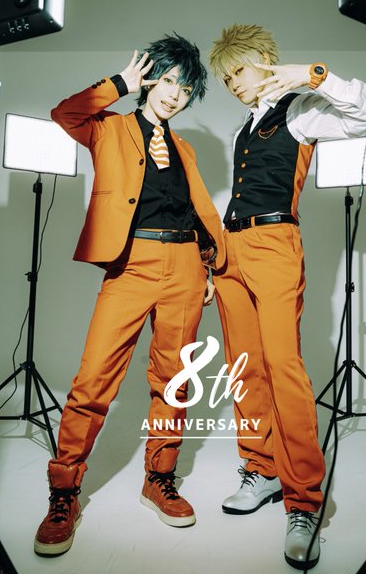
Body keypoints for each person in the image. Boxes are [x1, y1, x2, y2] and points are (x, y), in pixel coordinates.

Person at [34, 33, 225, 557]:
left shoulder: (185, 149)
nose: (175, 95)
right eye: (168, 81)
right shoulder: (109, 128)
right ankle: (64, 492)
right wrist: (120, 83)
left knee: (174, 382)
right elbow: (65, 113)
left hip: (185, 266)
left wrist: (207, 267)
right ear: (150, 80)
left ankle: (158, 479)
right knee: (93, 379)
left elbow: (193, 210)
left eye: (185, 89)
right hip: (130, 263)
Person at [209, 23, 366, 570]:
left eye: (238, 71)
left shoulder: (301, 110)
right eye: (226, 79)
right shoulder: (244, 126)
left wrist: (313, 75)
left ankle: (303, 501)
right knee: (244, 368)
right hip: (232, 251)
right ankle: (260, 470)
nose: (234, 84)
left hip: (275, 244)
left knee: (283, 366)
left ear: (264, 59)